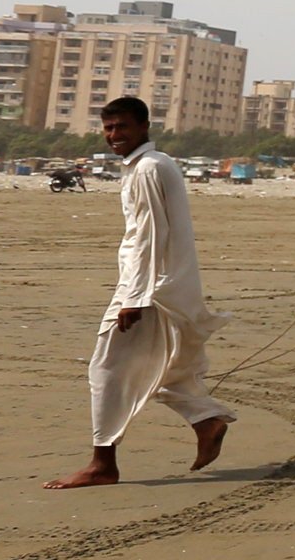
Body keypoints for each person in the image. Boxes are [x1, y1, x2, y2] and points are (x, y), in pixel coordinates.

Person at [46, 96, 232, 489]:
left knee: (106, 370)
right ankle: (207, 421)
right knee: (162, 364)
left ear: (145, 127)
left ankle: (102, 465)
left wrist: (135, 297)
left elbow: (150, 236)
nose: (114, 136)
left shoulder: (149, 167)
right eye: (109, 128)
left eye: (123, 127)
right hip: (159, 285)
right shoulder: (147, 166)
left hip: (151, 288)